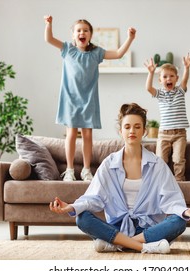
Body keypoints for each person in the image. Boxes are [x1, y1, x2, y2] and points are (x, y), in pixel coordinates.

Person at [50, 103, 190, 254]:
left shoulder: (157, 164)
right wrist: (71, 207)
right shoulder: (109, 164)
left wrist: (186, 211)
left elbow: (171, 199)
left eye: (137, 127)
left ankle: (117, 244)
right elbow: (94, 198)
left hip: (148, 230)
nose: (132, 131)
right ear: (120, 131)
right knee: (82, 218)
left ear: (144, 131)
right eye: (127, 127)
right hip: (117, 228)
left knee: (179, 222)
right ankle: (144, 247)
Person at [44, 16, 136, 181]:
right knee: (71, 134)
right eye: (78, 30)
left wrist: (130, 38)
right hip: (70, 99)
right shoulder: (67, 50)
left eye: (85, 30)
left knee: (87, 135)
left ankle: (86, 170)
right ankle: (70, 170)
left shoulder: (96, 53)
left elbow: (118, 53)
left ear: (90, 35)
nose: (82, 32)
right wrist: (49, 24)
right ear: (73, 35)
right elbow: (49, 39)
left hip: (88, 100)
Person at [144, 53, 190, 181]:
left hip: (179, 134)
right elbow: (148, 88)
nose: (169, 79)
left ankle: (179, 180)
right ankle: (161, 181)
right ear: (160, 80)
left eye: (172, 76)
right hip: (163, 134)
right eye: (165, 77)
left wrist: (187, 68)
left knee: (178, 159)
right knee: (161, 159)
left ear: (176, 79)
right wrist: (151, 73)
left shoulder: (180, 91)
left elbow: (185, 80)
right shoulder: (160, 94)